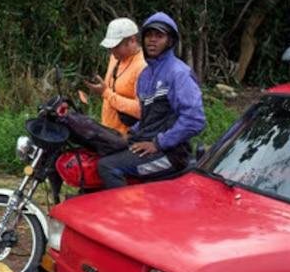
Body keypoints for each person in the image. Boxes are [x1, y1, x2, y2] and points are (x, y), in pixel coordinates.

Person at [98, 12, 205, 188]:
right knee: (102, 153)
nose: (152, 40)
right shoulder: (146, 76)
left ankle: (125, 214)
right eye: (149, 35)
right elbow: (148, 118)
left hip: (172, 155)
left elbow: (195, 119)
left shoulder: (178, 73)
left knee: (108, 166)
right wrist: (130, 134)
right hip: (148, 144)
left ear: (170, 41)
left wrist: (158, 143)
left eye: (159, 35)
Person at [84, 17, 147, 136]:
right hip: (107, 129)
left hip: (126, 137)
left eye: (116, 46)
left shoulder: (143, 67)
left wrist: (105, 93)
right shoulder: (115, 57)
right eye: (110, 47)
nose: (112, 50)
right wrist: (100, 89)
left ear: (132, 40)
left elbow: (141, 110)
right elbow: (110, 88)